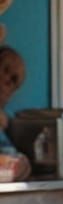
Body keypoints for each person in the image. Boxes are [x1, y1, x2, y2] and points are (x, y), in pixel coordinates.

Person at [0, 46, 31, 181]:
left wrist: (21, 165)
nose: (7, 80)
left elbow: (11, 156)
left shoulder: (8, 122)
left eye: (13, 80)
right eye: (4, 70)